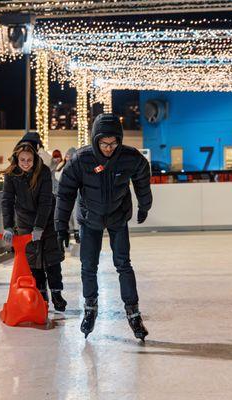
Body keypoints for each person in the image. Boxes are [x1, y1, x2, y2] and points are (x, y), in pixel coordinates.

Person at [56, 113, 152, 340]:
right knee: (88, 266)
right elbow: (65, 193)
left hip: (118, 216)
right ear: (95, 140)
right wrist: (61, 224)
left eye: (113, 143)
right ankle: (90, 308)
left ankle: (133, 312)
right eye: (104, 143)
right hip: (90, 219)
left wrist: (144, 205)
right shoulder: (81, 160)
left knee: (123, 264)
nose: (109, 148)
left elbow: (142, 178)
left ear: (119, 140)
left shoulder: (129, 157)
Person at [0, 134, 67, 311]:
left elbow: (46, 201)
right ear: (17, 159)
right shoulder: (11, 174)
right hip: (24, 223)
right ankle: (41, 296)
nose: (26, 163)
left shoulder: (43, 171)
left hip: (47, 220)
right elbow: (7, 200)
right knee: (33, 262)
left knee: (51, 260)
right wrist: (8, 226)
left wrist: (39, 226)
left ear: (34, 158)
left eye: (29, 159)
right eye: (22, 160)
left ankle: (57, 294)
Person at [55, 147, 80, 243]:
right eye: (67, 156)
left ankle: (77, 233)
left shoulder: (77, 167)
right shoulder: (61, 167)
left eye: (71, 156)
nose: (68, 158)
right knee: (66, 215)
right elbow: (57, 178)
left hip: (75, 196)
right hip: (64, 196)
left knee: (75, 214)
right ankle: (66, 233)